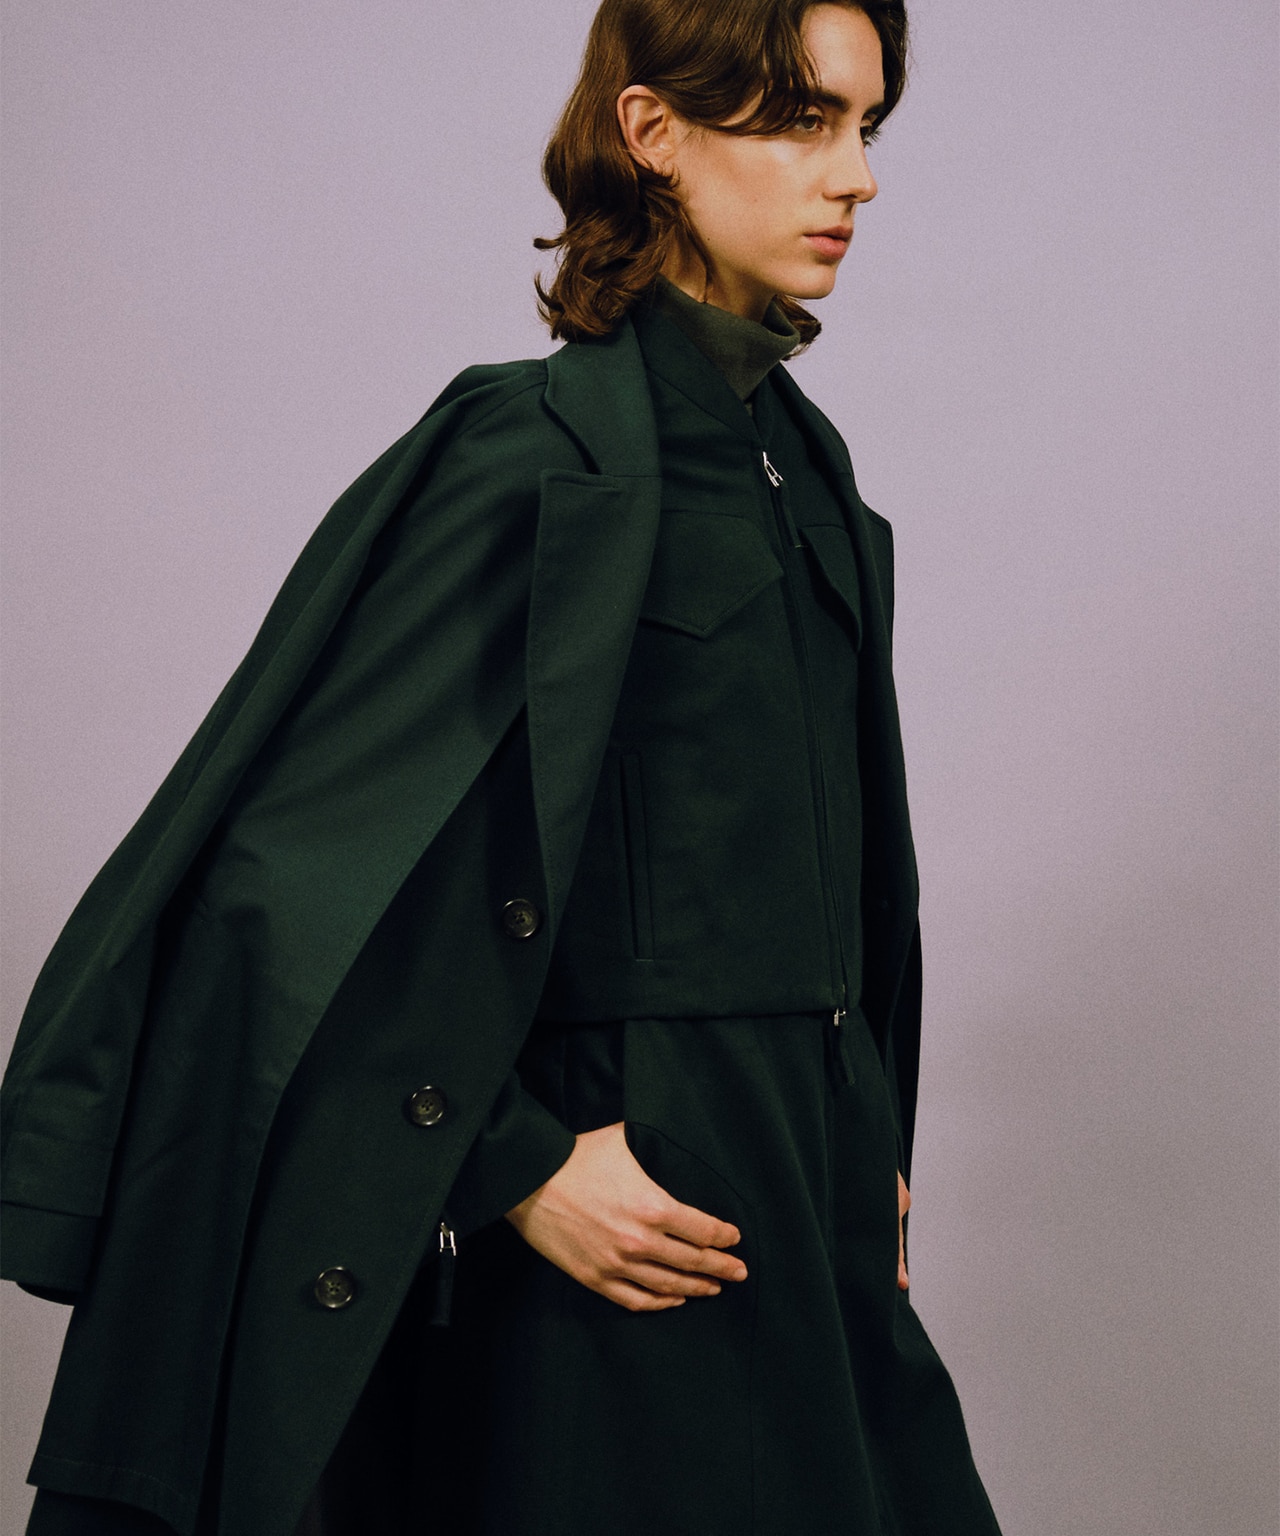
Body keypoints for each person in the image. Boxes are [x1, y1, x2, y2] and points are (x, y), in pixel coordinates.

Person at [2, 1, 1003, 1531]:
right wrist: (512, 1162)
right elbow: (287, 886)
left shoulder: (806, 470)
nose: (856, 173)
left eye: (867, 125)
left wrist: (862, 1131)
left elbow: (836, 889)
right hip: (626, 1238)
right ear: (652, 132)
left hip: (803, 1205)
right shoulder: (529, 454)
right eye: (804, 119)